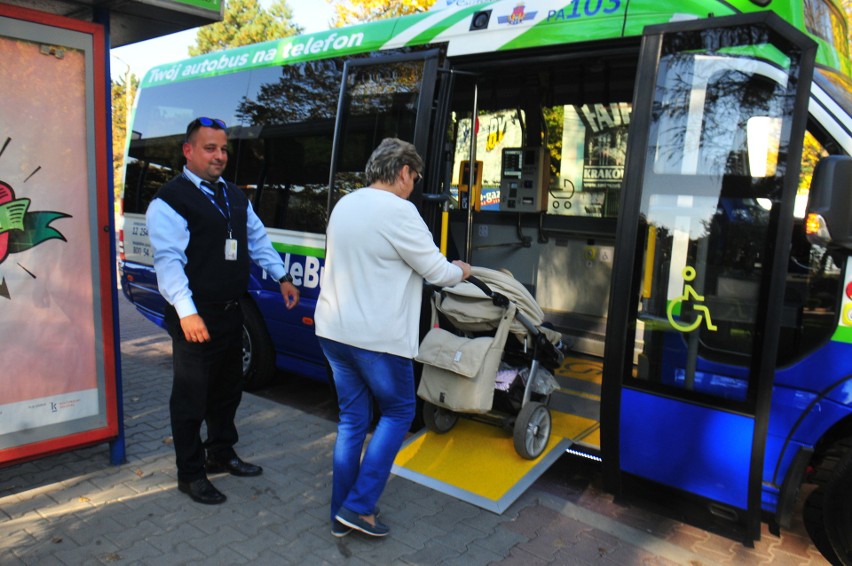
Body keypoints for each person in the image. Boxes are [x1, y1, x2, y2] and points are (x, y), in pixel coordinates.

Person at [315, 137, 471, 537]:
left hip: (333, 330)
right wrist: (461, 270)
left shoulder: (345, 204)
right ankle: (360, 506)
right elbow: (437, 273)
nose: (414, 185)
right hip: (376, 339)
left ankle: (341, 513)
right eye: (415, 177)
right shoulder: (400, 212)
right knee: (400, 412)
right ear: (404, 172)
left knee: (352, 420)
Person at [146, 117, 300, 505]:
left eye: (223, 149)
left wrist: (281, 275)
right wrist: (187, 312)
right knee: (191, 397)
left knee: (227, 391)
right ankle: (190, 472)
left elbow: (257, 238)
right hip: (195, 317)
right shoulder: (169, 200)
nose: (219, 156)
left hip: (233, 312)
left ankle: (220, 451)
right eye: (209, 148)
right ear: (188, 151)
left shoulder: (234, 195)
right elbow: (168, 262)